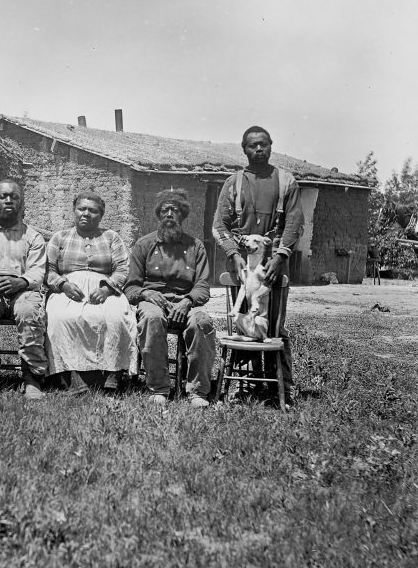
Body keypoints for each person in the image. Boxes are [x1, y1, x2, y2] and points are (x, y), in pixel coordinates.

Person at [212, 125, 304, 407]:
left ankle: (283, 388)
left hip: (274, 264)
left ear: (271, 145)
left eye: (263, 144)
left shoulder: (286, 181)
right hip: (243, 266)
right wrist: (233, 255)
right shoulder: (234, 182)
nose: (258, 149)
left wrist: (280, 256)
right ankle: (245, 387)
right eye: (252, 145)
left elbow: (294, 222)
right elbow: (220, 225)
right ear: (244, 149)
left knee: (275, 326)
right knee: (244, 325)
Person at [123, 188, 217, 408]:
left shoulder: (196, 247)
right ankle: (159, 388)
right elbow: (131, 287)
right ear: (158, 214)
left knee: (201, 322)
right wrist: (146, 293)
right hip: (153, 301)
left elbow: (202, 287)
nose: (169, 214)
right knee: (152, 318)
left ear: (182, 215)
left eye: (174, 210)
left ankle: (197, 391)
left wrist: (187, 301)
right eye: (165, 210)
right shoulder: (143, 245)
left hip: (186, 301)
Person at [44, 192, 137, 393]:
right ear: (74, 211)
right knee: (60, 318)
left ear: (101, 215)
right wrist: (63, 285)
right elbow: (48, 270)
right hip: (68, 288)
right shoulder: (59, 237)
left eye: (93, 211)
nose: (86, 213)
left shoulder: (111, 237)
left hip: (105, 289)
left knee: (115, 317)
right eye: (81, 209)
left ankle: (112, 376)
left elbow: (122, 268)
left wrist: (106, 288)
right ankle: (71, 379)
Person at [0, 179, 48, 399]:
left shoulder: (33, 237)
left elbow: (37, 272)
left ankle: (32, 377)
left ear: (21, 203)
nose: (8, 200)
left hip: (23, 291)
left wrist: (20, 282)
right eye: (2, 196)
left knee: (29, 312)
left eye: (14, 197)